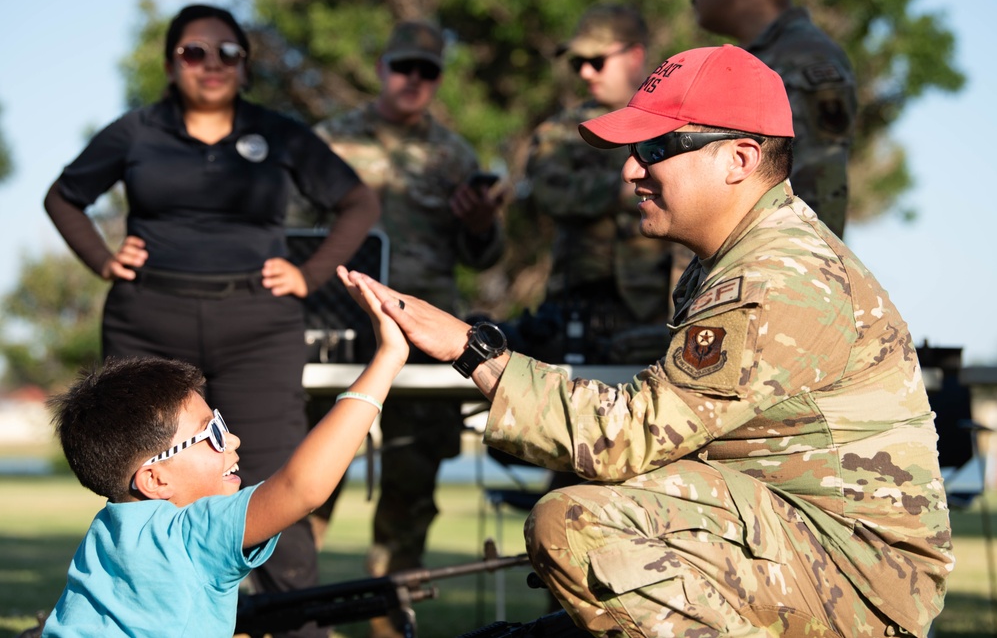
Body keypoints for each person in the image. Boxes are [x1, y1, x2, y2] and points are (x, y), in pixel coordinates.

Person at [340, 44, 953, 637]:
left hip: (856, 580)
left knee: (574, 521)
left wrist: (469, 349)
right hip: (807, 542)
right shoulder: (740, 258)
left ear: (738, 159)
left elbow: (632, 435)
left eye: (657, 147)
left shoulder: (774, 278)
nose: (632, 168)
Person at [43, 4, 379, 638]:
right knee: (138, 482)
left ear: (245, 66)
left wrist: (308, 274)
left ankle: (297, 627)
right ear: (173, 63)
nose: (213, 65)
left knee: (274, 478)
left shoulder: (278, 134)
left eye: (228, 52)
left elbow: (358, 201)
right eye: (196, 52)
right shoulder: (135, 131)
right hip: (149, 317)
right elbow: (62, 196)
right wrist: (101, 257)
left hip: (257, 324)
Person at [41, 267, 408, 637]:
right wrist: (388, 358)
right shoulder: (191, 531)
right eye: (212, 433)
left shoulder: (108, 531)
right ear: (155, 478)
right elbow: (302, 488)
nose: (232, 441)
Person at [307, 19, 504, 634]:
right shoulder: (329, 141)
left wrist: (477, 224)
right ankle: (280, 613)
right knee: (311, 476)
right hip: (340, 324)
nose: (413, 80)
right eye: (404, 67)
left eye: (427, 70)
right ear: (382, 68)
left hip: (426, 333)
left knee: (411, 489)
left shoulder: (453, 155)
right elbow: (291, 232)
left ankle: (391, 625)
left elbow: (484, 256)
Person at [520, 4, 692, 365]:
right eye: (576, 63)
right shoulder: (562, 132)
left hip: (658, 308)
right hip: (580, 306)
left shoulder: (679, 123)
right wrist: (625, 190)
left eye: (596, 60)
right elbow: (550, 193)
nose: (584, 72)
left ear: (635, 56)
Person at [688, 0, 857, 238]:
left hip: (774, 266)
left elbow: (821, 183)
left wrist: (801, 269)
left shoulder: (805, 57)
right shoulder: (751, 57)